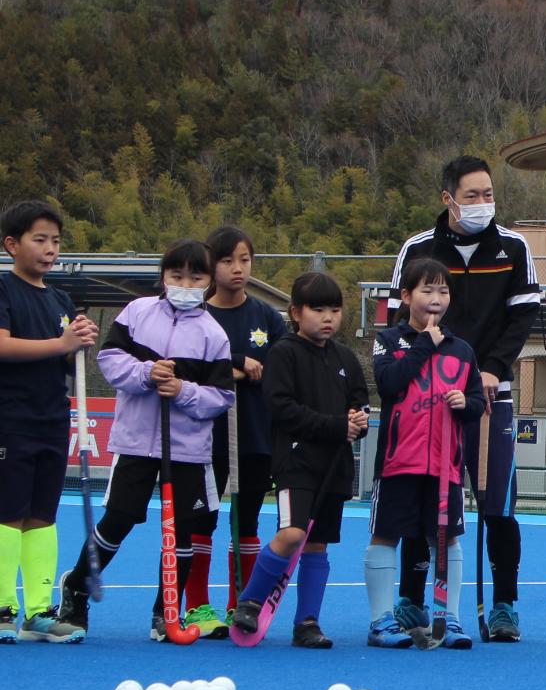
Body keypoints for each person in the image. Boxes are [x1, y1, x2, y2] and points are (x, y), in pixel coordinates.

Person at [386, 155, 540, 641]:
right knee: (421, 495)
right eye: (472, 196)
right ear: (448, 198)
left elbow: (521, 320)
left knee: (498, 503)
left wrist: (491, 370)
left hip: (492, 396)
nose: (482, 204)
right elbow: (396, 322)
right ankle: (412, 598)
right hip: (425, 399)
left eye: (488, 195)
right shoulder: (417, 249)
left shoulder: (513, 248)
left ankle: (504, 605)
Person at [57, 240, 235, 641]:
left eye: (196, 277)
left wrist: (183, 390)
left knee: (184, 528)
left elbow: (221, 397)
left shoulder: (214, 334)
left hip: (189, 450)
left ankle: (166, 612)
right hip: (136, 442)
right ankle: (76, 588)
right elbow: (109, 359)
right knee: (120, 519)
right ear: (163, 278)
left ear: (208, 282)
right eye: (176, 276)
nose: (185, 283)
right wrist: (146, 374)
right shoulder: (138, 313)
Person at [229, 273, 369, 647]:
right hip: (296, 463)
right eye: (318, 309)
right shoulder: (284, 353)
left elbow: (359, 402)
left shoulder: (345, 359)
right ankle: (250, 600)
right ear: (295, 312)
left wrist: (359, 420)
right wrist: (338, 424)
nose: (328, 317)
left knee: (317, 544)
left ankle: (306, 622)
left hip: (335, 466)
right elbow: (282, 409)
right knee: (292, 534)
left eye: (335, 310)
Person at [369, 258, 485, 649]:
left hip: (444, 468)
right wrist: (423, 345)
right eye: (427, 290)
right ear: (406, 296)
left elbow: (475, 405)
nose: (436, 299)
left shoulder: (463, 350)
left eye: (443, 291)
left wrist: (463, 403)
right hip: (398, 462)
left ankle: (448, 618)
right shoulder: (389, 341)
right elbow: (389, 384)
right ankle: (381, 621)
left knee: (447, 539)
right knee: (386, 536)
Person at [0, 201, 98, 642]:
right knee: (9, 512)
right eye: (39, 239)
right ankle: (2, 607)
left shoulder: (60, 300)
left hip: (52, 418)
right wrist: (61, 343)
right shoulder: (3, 290)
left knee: (42, 513)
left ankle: (38, 610)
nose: (49, 249)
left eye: (55, 241)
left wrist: (78, 344)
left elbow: (65, 355)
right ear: (12, 244)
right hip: (10, 417)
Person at [189, 225, 289, 637]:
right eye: (227, 260)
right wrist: (227, 368)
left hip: (254, 437)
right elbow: (184, 366)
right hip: (202, 439)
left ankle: (242, 603)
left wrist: (255, 373)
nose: (237, 269)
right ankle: (196, 605)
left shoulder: (266, 317)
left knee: (246, 521)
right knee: (202, 521)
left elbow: (286, 370)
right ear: (211, 265)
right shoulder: (196, 314)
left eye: (244, 260)